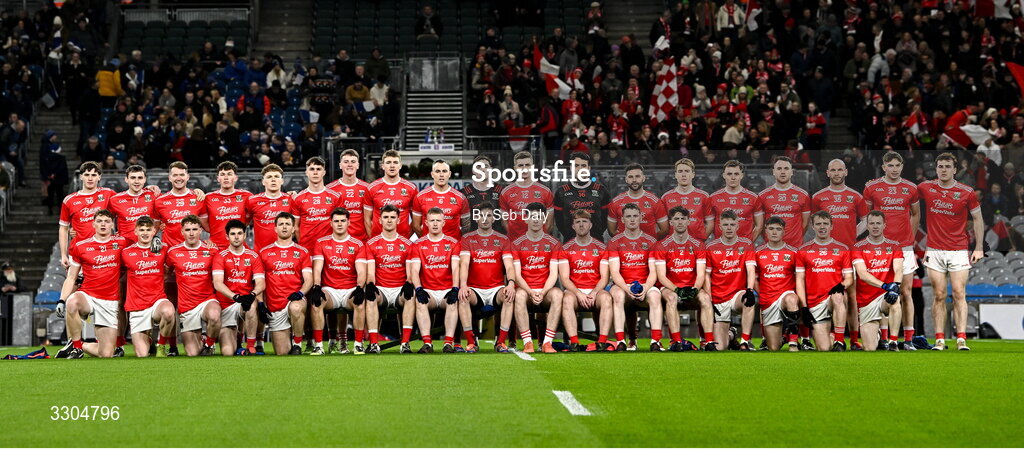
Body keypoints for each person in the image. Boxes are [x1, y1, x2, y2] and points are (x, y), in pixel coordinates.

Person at [919, 153, 984, 351]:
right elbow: (904, 193)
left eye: (948, 166)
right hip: (935, 249)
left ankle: (961, 339)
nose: (944, 169)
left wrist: (979, 247)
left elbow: (979, 219)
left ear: (955, 169)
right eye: (940, 166)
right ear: (936, 168)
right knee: (938, 295)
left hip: (958, 249)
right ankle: (939, 340)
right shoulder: (926, 187)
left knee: (958, 293)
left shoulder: (966, 192)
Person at [863, 151, 922, 351]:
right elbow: (867, 217)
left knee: (906, 292)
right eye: (891, 165)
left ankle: (908, 338)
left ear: (902, 166)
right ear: (884, 167)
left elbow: (915, 215)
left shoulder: (911, 188)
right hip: (880, 247)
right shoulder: (872, 187)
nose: (894, 169)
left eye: (898, 165)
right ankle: (885, 338)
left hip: (904, 247)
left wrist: (910, 238)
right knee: (884, 290)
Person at [811, 158, 869, 348]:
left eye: (839, 170)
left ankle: (853, 339)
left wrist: (852, 237)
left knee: (851, 297)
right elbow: (814, 223)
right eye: (832, 170)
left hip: (849, 253)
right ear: (827, 173)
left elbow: (866, 220)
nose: (836, 173)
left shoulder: (855, 196)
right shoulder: (818, 197)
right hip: (824, 254)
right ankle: (829, 334)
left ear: (846, 172)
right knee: (824, 294)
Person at [54, 210, 126, 359]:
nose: (103, 224)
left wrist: (155, 241)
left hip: (110, 301)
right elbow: (71, 277)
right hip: (88, 295)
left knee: (106, 354)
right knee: (72, 302)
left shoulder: (122, 243)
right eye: (99, 221)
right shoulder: (81, 246)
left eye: (107, 221)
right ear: (93, 224)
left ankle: (81, 345)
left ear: (112, 224)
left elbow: (141, 247)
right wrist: (62, 299)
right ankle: (77, 347)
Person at [458, 201, 515, 353]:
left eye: (488, 215)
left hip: (496, 289)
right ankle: (471, 342)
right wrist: (463, 285)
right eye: (481, 215)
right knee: (463, 297)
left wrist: (510, 283)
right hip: (475, 289)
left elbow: (509, 265)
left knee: (509, 296)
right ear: (476, 218)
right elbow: (464, 264)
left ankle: (501, 341)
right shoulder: (468, 239)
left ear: (494, 218)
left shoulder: (502, 239)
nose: (484, 219)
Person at [310, 208, 368, 355]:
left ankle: (358, 344)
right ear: (331, 223)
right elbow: (317, 269)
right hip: (330, 290)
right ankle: (318, 345)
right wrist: (317, 287)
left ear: (349, 222)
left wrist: (360, 288)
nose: (340, 224)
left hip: (350, 289)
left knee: (360, 303)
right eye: (336, 221)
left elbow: (361, 271)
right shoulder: (321, 243)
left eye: (343, 221)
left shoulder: (357, 244)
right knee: (316, 302)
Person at [654, 207, 711, 352]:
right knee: (672, 298)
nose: (680, 222)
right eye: (676, 219)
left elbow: (701, 274)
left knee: (705, 298)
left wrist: (695, 289)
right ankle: (676, 341)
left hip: (691, 286)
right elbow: (661, 276)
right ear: (671, 222)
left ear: (689, 221)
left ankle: (708, 341)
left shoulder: (698, 245)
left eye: (683, 218)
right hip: (670, 287)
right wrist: (677, 289)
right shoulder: (662, 245)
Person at [608, 203, 663, 351]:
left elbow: (653, 272)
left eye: (635, 216)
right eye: (628, 216)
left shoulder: (651, 241)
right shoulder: (615, 242)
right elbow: (614, 272)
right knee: (618, 296)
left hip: (646, 284)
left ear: (640, 218)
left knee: (655, 297)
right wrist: (627, 289)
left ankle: (655, 341)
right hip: (622, 285)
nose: (632, 219)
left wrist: (646, 288)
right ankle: (621, 341)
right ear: (622, 220)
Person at [510, 202, 564, 353]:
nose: (536, 220)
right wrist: (530, 292)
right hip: (526, 289)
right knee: (519, 295)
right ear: (526, 219)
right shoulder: (517, 244)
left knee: (558, 294)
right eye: (532, 217)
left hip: (545, 290)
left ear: (544, 220)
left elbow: (554, 274)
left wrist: (543, 291)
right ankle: (528, 342)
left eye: (539, 217)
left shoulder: (553, 243)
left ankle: (547, 342)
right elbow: (517, 275)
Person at [165, 215, 221, 356]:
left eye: (195, 229)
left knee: (214, 315)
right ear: (182, 232)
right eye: (188, 230)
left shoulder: (212, 250)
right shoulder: (173, 252)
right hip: (187, 306)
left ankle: (209, 344)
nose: (191, 233)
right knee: (192, 353)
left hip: (207, 300)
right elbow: (165, 273)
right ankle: (201, 339)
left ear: (201, 230)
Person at [796, 211, 853, 352]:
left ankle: (840, 341)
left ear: (831, 226)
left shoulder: (842, 249)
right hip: (814, 302)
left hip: (833, 298)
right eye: (818, 224)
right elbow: (800, 280)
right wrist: (804, 308)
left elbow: (850, 278)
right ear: (812, 226)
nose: (822, 227)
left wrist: (841, 286)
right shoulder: (803, 250)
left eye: (825, 224)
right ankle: (832, 337)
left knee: (839, 296)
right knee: (824, 348)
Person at [257, 212, 313, 355]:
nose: (284, 227)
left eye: (288, 224)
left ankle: (298, 344)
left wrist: (300, 293)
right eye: (281, 224)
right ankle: (290, 343)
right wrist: (261, 304)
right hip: (275, 306)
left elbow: (309, 280)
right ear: (275, 228)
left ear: (293, 228)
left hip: (294, 299)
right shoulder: (264, 253)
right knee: (282, 353)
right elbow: (259, 282)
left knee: (295, 308)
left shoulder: (302, 252)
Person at [364, 205, 417, 353]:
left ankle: (405, 343)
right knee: (370, 297)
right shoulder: (371, 243)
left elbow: (410, 273)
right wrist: (370, 285)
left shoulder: (407, 244)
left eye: (392, 217)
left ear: (399, 220)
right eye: (386, 217)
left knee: (411, 296)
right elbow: (370, 272)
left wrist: (409, 283)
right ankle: (374, 343)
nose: (389, 220)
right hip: (381, 289)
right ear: (379, 220)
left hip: (400, 289)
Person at [409, 207, 463, 353]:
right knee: (419, 301)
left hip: (446, 290)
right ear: (425, 222)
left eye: (438, 221)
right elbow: (414, 270)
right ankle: (427, 343)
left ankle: (448, 343)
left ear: (443, 223)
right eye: (432, 220)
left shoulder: (453, 243)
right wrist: (419, 288)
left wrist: (455, 288)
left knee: (454, 302)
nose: (435, 224)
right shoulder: (418, 244)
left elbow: (456, 268)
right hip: (429, 292)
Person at [121, 216, 176, 357]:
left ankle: (161, 345)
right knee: (142, 355)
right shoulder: (126, 252)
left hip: (157, 301)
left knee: (169, 312)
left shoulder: (163, 249)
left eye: (148, 230)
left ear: (154, 231)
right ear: (136, 232)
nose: (145, 233)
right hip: (136, 305)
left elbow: (169, 269)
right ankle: (149, 339)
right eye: (141, 230)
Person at [559, 210, 613, 352]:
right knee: (567, 300)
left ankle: (601, 342)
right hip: (575, 290)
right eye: (578, 222)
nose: (581, 225)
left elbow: (604, 277)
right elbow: (564, 278)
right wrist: (578, 293)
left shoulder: (601, 248)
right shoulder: (566, 248)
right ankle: (574, 343)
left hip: (596, 289)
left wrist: (595, 292)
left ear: (590, 225)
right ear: (573, 226)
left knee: (607, 299)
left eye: (584, 221)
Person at [704, 210, 757, 351]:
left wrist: (750, 290)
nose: (729, 228)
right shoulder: (710, 247)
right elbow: (707, 275)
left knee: (748, 300)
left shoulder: (746, 244)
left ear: (737, 226)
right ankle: (732, 334)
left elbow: (751, 269)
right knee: (721, 347)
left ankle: (745, 341)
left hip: (736, 295)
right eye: (725, 224)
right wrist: (709, 299)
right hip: (718, 298)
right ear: (719, 226)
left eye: (732, 224)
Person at [852, 211, 904, 352]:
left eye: (878, 223)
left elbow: (899, 269)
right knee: (869, 348)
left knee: (895, 300)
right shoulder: (858, 247)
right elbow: (862, 274)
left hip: (884, 297)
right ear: (867, 226)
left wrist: (895, 287)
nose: (875, 226)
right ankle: (880, 334)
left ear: (884, 225)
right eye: (872, 223)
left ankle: (893, 341)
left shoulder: (894, 245)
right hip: (866, 300)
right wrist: (886, 285)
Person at [212, 219, 265, 356]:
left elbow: (261, 283)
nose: (236, 236)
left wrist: (252, 295)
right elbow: (217, 283)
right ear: (227, 236)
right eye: (233, 233)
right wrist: (235, 296)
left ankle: (251, 346)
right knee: (228, 352)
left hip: (245, 303)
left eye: (239, 233)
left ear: (245, 235)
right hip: (226, 305)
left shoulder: (253, 256)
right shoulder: (220, 256)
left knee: (252, 305)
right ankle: (237, 342)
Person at [754, 216, 802, 351]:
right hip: (768, 299)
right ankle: (785, 336)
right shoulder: (758, 252)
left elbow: (799, 278)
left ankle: (793, 342)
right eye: (771, 229)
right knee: (773, 348)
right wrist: (761, 294)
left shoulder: (793, 252)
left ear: (784, 232)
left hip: (785, 295)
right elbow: (755, 279)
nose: (774, 232)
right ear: (765, 231)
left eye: (778, 229)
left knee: (792, 299)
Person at [58, 161, 116, 269]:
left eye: (94, 175)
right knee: (76, 284)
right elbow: (63, 228)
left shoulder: (108, 194)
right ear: (81, 177)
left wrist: (148, 189)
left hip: (103, 251)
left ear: (99, 177)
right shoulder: (69, 200)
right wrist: (63, 254)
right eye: (87, 175)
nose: (90, 178)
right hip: (78, 252)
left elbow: (128, 201)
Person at [553, 152, 611, 241]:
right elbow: (559, 222)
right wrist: (570, 236)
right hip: (570, 243)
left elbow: (606, 219)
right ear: (571, 168)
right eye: (576, 165)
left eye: (583, 165)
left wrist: (596, 234)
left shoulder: (601, 190)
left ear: (589, 168)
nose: (580, 169)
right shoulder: (561, 192)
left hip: (596, 242)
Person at [498, 151, 555, 240]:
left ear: (532, 167)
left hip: (538, 245)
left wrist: (537, 239)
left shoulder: (545, 191)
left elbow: (549, 223)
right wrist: (516, 240)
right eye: (520, 165)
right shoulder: (505, 192)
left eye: (527, 165)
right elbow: (504, 222)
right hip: (514, 244)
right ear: (515, 168)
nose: (524, 168)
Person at [758, 156, 810, 247]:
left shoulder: (803, 195)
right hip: (771, 247)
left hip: (795, 247)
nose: (782, 172)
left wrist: (795, 237)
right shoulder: (762, 196)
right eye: (779, 168)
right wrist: (769, 237)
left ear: (792, 172)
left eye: (786, 168)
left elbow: (805, 224)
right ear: (773, 172)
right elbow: (760, 225)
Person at [363, 150, 417, 239]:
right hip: (378, 241)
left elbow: (416, 220)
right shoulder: (372, 188)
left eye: (395, 162)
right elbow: (367, 219)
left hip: (402, 241)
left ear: (400, 165)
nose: (392, 166)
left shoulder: (411, 188)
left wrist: (406, 238)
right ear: (382, 166)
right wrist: (373, 239)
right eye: (388, 162)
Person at [153, 162, 208, 248]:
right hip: (169, 252)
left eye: (182, 175)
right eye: (175, 175)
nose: (179, 178)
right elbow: (154, 228)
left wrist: (213, 239)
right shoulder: (159, 201)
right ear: (169, 178)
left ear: (188, 177)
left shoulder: (198, 198)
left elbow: (207, 226)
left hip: (193, 251)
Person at [411, 160, 469, 240]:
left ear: (449, 174)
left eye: (444, 171)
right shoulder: (420, 197)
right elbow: (416, 226)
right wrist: (428, 241)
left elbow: (466, 226)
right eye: (437, 171)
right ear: (432, 174)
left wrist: (456, 244)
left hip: (454, 249)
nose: (441, 175)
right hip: (428, 248)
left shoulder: (461, 198)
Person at [607, 163, 669, 238]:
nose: (634, 180)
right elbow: (611, 231)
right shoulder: (616, 202)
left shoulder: (655, 201)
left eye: (637, 176)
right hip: (625, 248)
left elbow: (665, 230)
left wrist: (650, 241)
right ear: (626, 179)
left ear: (644, 178)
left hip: (649, 248)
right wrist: (624, 242)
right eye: (630, 177)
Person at [660, 158, 713, 242]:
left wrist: (701, 241)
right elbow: (663, 225)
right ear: (675, 175)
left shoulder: (704, 196)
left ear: (693, 174)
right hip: (673, 245)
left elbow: (710, 222)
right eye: (680, 171)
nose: (683, 174)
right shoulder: (666, 197)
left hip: (697, 246)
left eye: (687, 171)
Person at [709, 160, 763, 241]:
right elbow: (709, 224)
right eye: (729, 174)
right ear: (724, 175)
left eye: (736, 174)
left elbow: (759, 225)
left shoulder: (753, 198)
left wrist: (748, 243)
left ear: (742, 175)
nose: (733, 177)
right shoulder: (713, 198)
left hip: (744, 249)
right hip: (721, 248)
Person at [203, 162, 252, 250]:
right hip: (215, 247)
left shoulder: (247, 196)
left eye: (229, 174)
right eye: (222, 174)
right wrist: (215, 234)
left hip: (239, 247)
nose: (226, 177)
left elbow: (250, 218)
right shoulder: (208, 198)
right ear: (218, 178)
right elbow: (202, 221)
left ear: (235, 178)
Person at [247, 164, 294, 252]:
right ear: (263, 182)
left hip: (285, 252)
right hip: (260, 253)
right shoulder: (252, 201)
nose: (273, 179)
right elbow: (244, 223)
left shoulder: (291, 200)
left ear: (282, 181)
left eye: (276, 176)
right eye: (269, 177)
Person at [326, 149, 371, 242]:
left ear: (357, 165)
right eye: (346, 162)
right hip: (338, 241)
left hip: (362, 240)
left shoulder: (367, 188)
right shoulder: (329, 189)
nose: (349, 165)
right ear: (340, 165)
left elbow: (371, 218)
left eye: (353, 162)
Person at [108, 165, 158, 245]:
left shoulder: (154, 195)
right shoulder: (115, 200)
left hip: (148, 245)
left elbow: (164, 217)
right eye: (133, 177)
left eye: (140, 178)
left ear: (145, 179)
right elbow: (107, 222)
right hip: (124, 246)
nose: (136, 181)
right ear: (126, 179)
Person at [461, 155, 505, 233]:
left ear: (491, 169)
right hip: (472, 241)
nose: (482, 169)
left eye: (485, 166)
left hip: (496, 241)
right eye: (478, 167)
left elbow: (506, 220)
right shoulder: (463, 193)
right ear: (473, 171)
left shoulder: (501, 191)